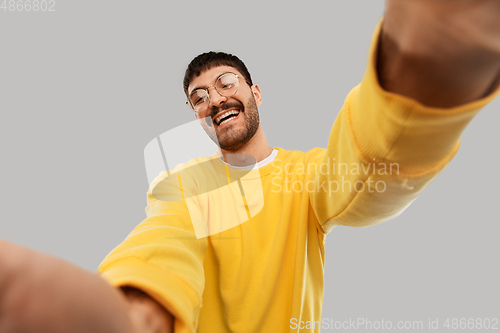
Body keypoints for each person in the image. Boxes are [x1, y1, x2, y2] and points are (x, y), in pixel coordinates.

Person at [1, 1, 500, 332]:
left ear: (254, 93)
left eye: (226, 83)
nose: (214, 100)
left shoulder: (303, 175)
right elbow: (167, 237)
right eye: (199, 97)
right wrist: (139, 307)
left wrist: (418, 80)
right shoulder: (185, 182)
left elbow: (364, 176)